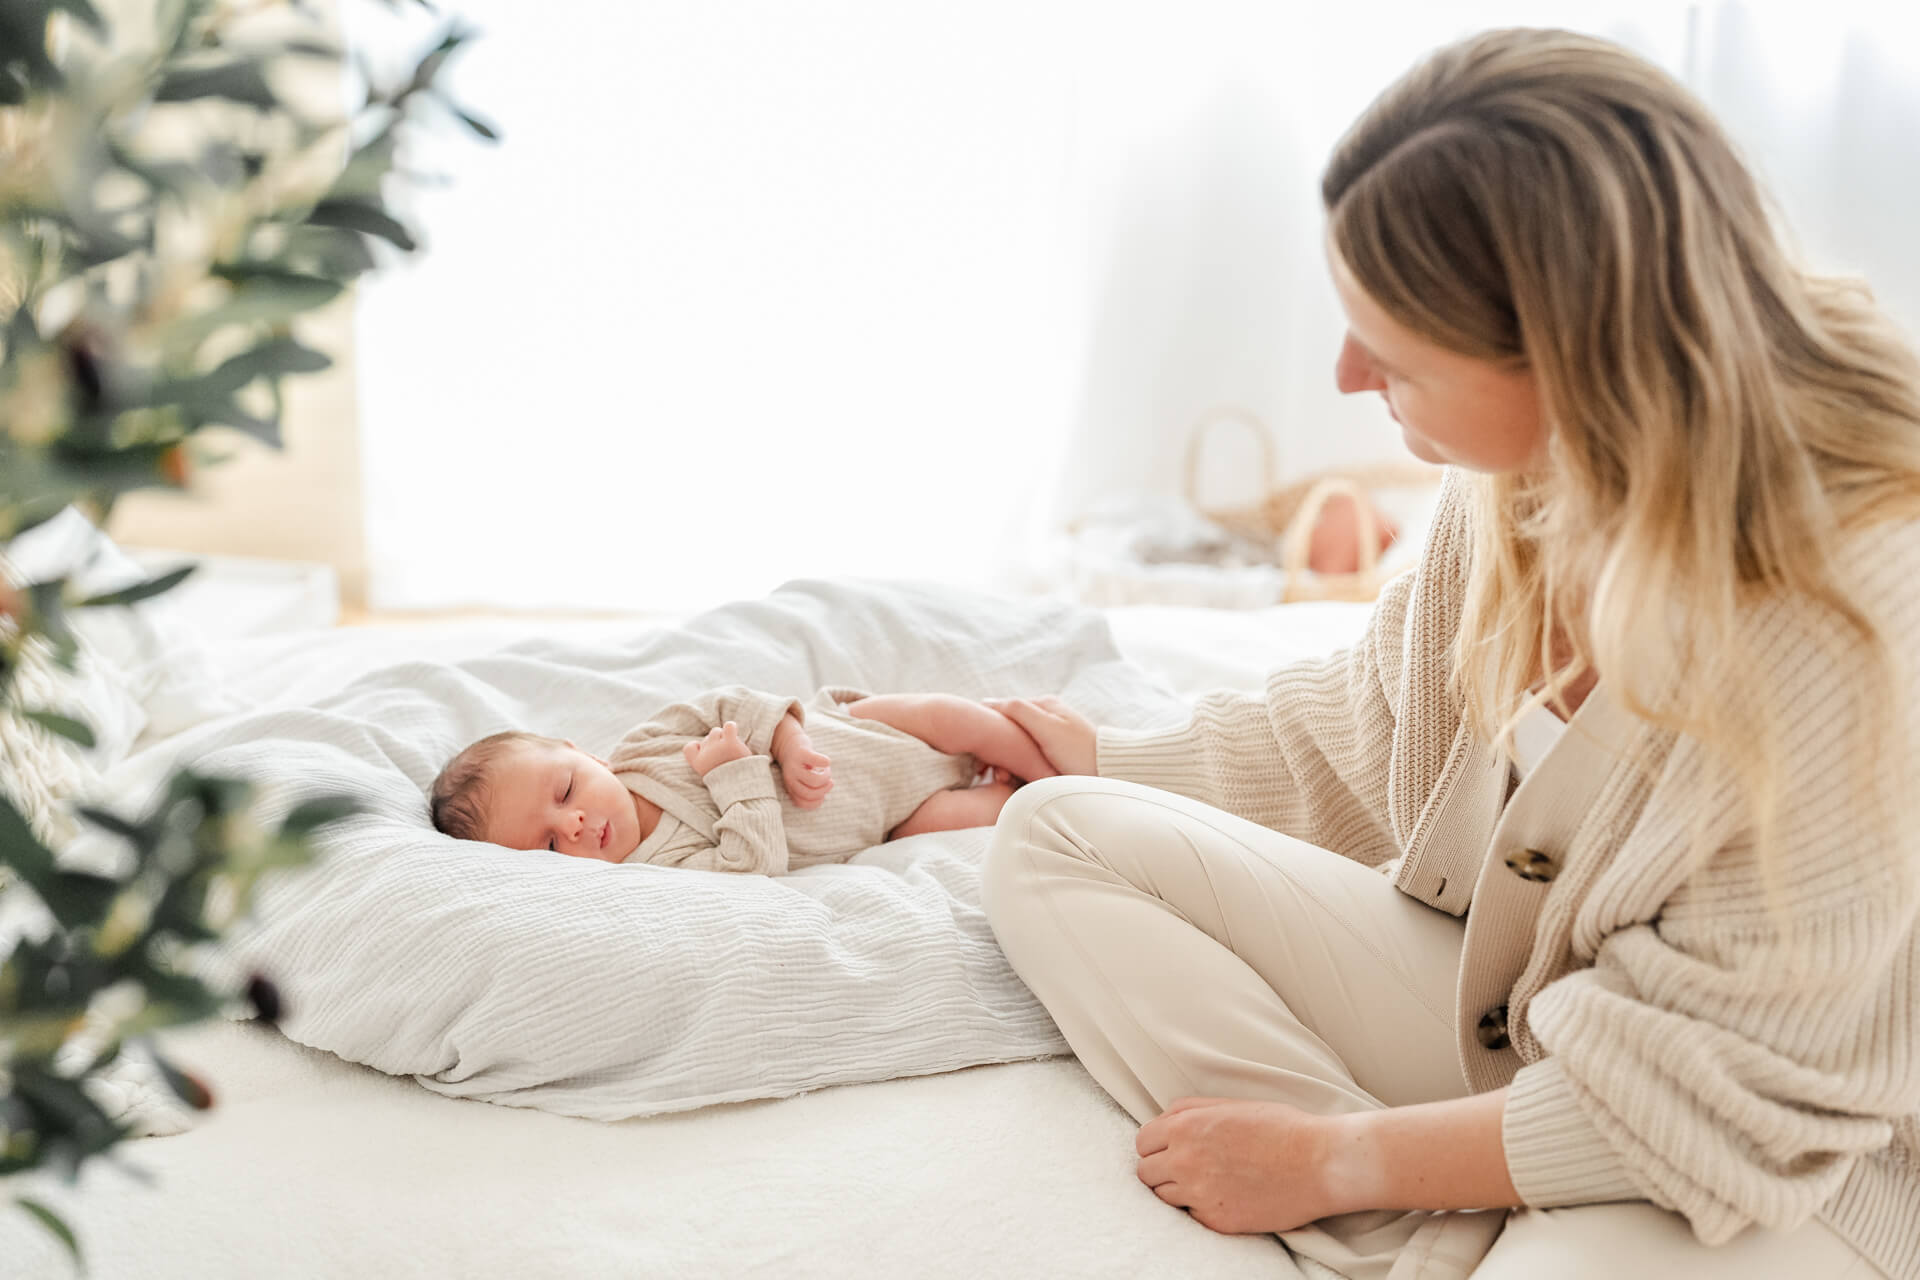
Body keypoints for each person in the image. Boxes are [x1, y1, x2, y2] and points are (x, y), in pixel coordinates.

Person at [982, 27, 1920, 1280]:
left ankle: (1415, 1206)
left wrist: (1335, 1158)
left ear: (1568, 350)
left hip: (1775, 1147)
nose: (1345, 373)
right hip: (1531, 1008)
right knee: (1055, 835)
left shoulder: (1860, 612)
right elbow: (1367, 728)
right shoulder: (1528, 463)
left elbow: (1736, 1090)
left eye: (1395, 351)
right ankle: (1424, 1231)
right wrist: (1083, 753)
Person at [430, 686, 1055, 874]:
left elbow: (726, 704)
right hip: (894, 817)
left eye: (566, 791)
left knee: (946, 715)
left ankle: (1058, 762)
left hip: (852, 731)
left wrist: (789, 741)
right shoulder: (658, 868)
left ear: (584, 754)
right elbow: (752, 866)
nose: (572, 823)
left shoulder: (644, 748)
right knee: (987, 813)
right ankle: (1046, 787)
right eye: (547, 846)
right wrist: (734, 775)